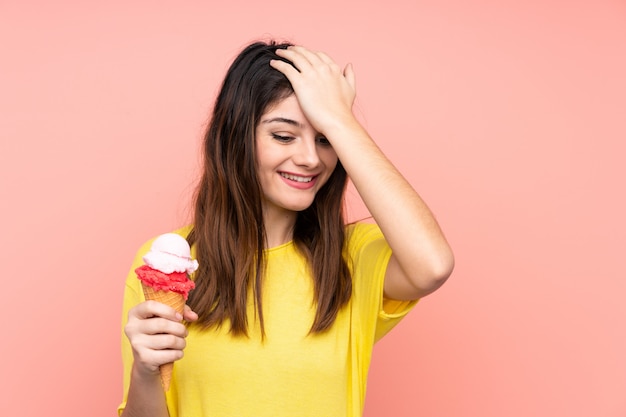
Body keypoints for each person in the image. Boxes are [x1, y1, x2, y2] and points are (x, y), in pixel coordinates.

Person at [118, 40, 454, 417]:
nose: (311, 159)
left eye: (325, 140)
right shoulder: (170, 265)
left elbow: (433, 265)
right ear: (237, 136)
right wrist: (145, 372)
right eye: (283, 135)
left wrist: (341, 119)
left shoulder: (353, 257)